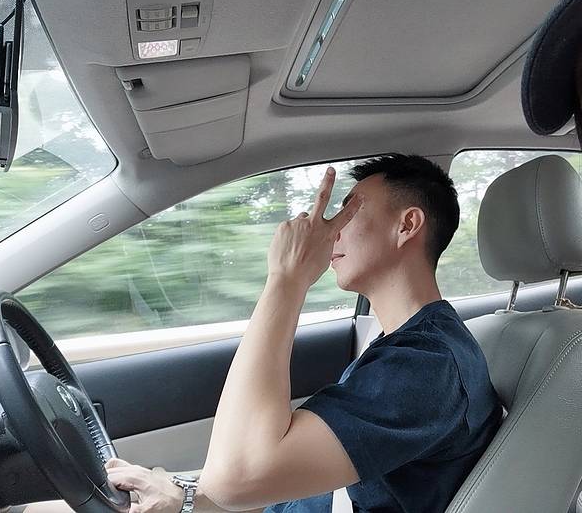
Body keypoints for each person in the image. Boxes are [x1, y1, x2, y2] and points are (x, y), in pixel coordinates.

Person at [104, 154, 504, 513]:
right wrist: (185, 497)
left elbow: (238, 475)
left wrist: (287, 277)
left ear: (407, 225)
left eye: (350, 210)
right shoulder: (401, 346)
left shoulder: (425, 364)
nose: (331, 231)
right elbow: (287, 477)